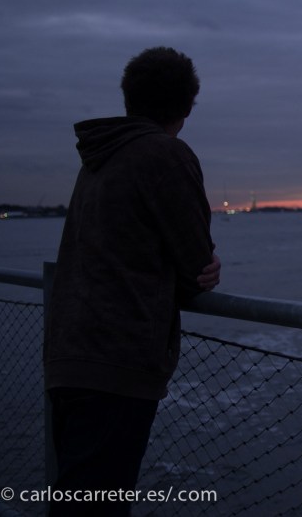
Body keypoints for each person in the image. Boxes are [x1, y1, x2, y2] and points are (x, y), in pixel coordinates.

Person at [43, 46, 221, 516]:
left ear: (129, 99)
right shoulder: (165, 154)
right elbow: (194, 267)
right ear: (187, 106)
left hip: (69, 350)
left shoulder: (99, 156)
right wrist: (206, 267)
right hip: (117, 360)